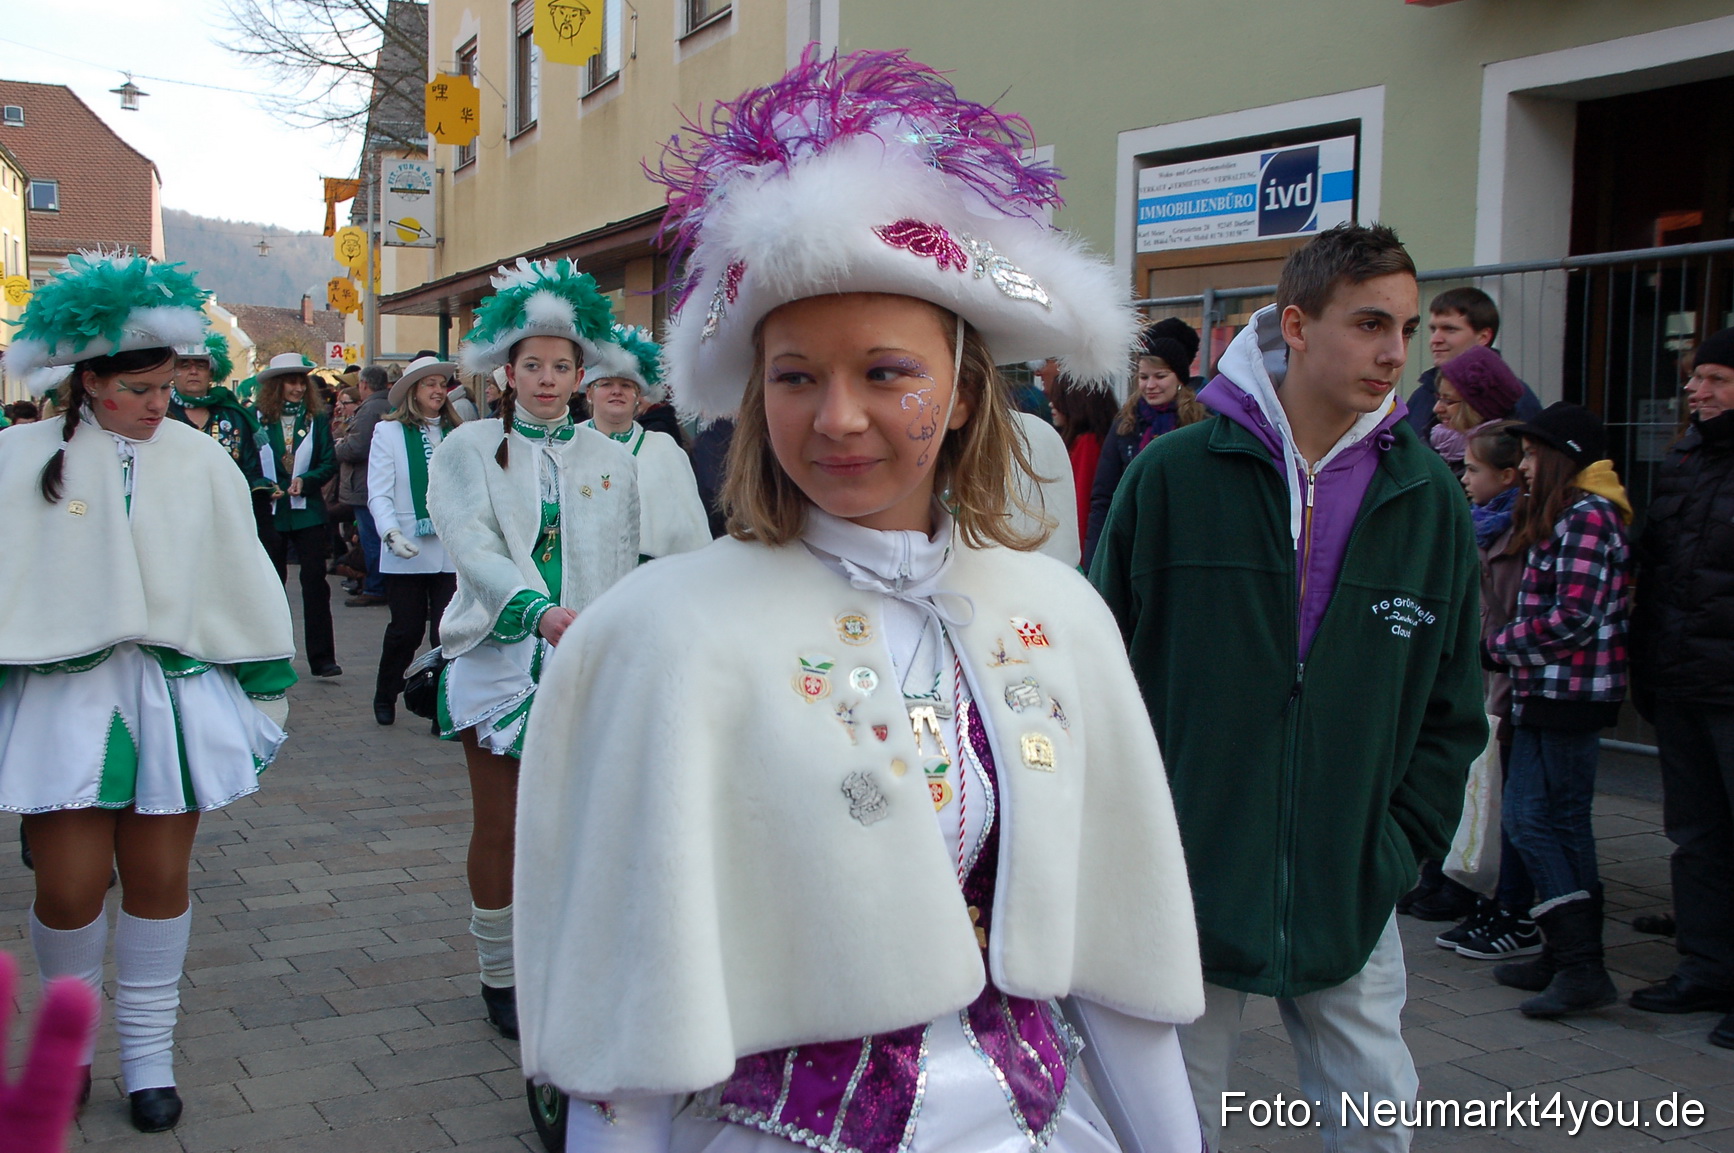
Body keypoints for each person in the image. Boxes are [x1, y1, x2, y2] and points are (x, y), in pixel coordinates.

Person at [515, 48, 1204, 1153]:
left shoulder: (1059, 615)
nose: (836, 418)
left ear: (967, 395)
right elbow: (624, 1038)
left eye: (886, 371)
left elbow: (1118, 972)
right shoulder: (663, 634)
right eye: (795, 376)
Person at [1091, 224, 1486, 1153]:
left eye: (1408, 327)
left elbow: (1452, 707)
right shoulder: (1175, 475)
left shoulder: (1428, 498)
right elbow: (1095, 672)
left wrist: (1393, 849)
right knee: (1165, 1127)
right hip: (1184, 877)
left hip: (1349, 876)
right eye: (1368, 323)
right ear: (1297, 326)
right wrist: (1127, 838)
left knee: (1377, 1114)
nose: (1394, 351)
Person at [0, 252, 296, 1133]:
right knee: (68, 886)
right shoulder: (18, 458)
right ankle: (68, 1045)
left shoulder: (201, 460)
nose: (160, 402)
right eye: (141, 387)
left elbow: (239, 571)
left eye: (168, 385)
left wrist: (261, 675)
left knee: (161, 875)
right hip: (65, 700)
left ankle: (148, 1061)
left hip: (170, 695)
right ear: (89, 380)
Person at [429, 258, 641, 1043]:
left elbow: (620, 560)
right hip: (499, 653)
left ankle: (568, 957)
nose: (547, 379)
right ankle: (499, 972)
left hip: (585, 655)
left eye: (561, 366)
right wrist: (535, 610)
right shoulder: (468, 450)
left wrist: (613, 634)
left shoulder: (613, 460)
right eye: (532, 365)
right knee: (503, 822)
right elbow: (472, 546)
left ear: (583, 374)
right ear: (506, 371)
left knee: (581, 819)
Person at [1482, 402, 1632, 1018]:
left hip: (1572, 691)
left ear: (1562, 456)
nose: (1524, 462)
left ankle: (1581, 964)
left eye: (1536, 452)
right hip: (1545, 688)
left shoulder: (1589, 516)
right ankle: (1565, 951)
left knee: (1533, 819)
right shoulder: (1564, 512)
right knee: (1559, 822)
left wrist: (1498, 647)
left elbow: (1575, 615)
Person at [1628, 328, 1734, 1048]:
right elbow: (1660, 570)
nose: (1695, 390)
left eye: (1716, 379)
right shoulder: (1688, 459)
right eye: (1697, 378)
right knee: (1695, 832)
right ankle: (1705, 965)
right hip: (1683, 679)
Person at [1433, 421, 1542, 961]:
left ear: (1506, 475)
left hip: (1510, 682)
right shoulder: (1480, 525)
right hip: (1487, 676)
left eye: (1473, 470)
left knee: (1512, 806)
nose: (1465, 479)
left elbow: (1517, 612)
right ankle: (1485, 899)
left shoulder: (1519, 532)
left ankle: (1513, 909)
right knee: (1485, 797)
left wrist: (1491, 651)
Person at [366, 356, 463, 726]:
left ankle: (442, 706)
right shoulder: (387, 432)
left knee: (447, 630)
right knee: (404, 630)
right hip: (407, 546)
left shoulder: (458, 431)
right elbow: (379, 492)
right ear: (412, 391)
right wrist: (389, 532)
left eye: (442, 384)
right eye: (429, 384)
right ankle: (385, 693)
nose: (438, 390)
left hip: (451, 549)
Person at [580, 324, 712, 561]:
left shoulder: (664, 449)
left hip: (648, 579)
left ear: (638, 396)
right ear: (589, 393)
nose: (617, 391)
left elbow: (693, 533)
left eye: (627, 385)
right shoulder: (567, 443)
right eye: (606, 383)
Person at [1081, 318, 1204, 568]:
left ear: (1179, 378)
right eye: (1143, 377)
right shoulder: (1125, 424)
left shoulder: (1200, 423)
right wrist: (1096, 559)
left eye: (1160, 376)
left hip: (1185, 547)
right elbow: (1104, 497)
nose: (1150, 385)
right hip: (1133, 544)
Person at [256, 352, 342, 679]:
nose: (296, 388)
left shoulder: (316, 419)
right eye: (290, 381)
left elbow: (328, 463)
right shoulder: (258, 419)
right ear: (276, 386)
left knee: (315, 585)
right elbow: (248, 464)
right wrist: (266, 486)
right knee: (270, 585)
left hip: (308, 514)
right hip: (273, 514)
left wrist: (305, 482)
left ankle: (322, 658)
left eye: (300, 382)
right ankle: (269, 654)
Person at [1405, 287, 1543, 437]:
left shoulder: (1515, 401)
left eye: (1449, 329)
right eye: (1433, 329)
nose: (1434, 340)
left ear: (1483, 337)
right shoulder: (1423, 395)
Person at [167, 331, 275, 511]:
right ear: (173, 373)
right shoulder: (160, 413)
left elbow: (251, 470)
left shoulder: (233, 415)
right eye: (185, 365)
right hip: (175, 511)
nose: (193, 371)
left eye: (201, 366)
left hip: (227, 511)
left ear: (212, 373)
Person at [338, 366, 392, 607]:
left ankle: (376, 587)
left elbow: (357, 447)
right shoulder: (386, 404)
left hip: (364, 483)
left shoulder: (369, 409)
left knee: (372, 538)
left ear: (363, 385)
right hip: (372, 482)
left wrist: (336, 446)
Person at [1049, 374, 1118, 559]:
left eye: (1058, 398)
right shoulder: (1096, 440)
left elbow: (1080, 505)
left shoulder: (1087, 444)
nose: (1051, 404)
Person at [1427, 344, 1525, 475]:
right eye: (1438, 398)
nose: (1437, 408)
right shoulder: (1431, 444)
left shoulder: (1500, 461)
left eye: (1448, 400)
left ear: (1477, 409)